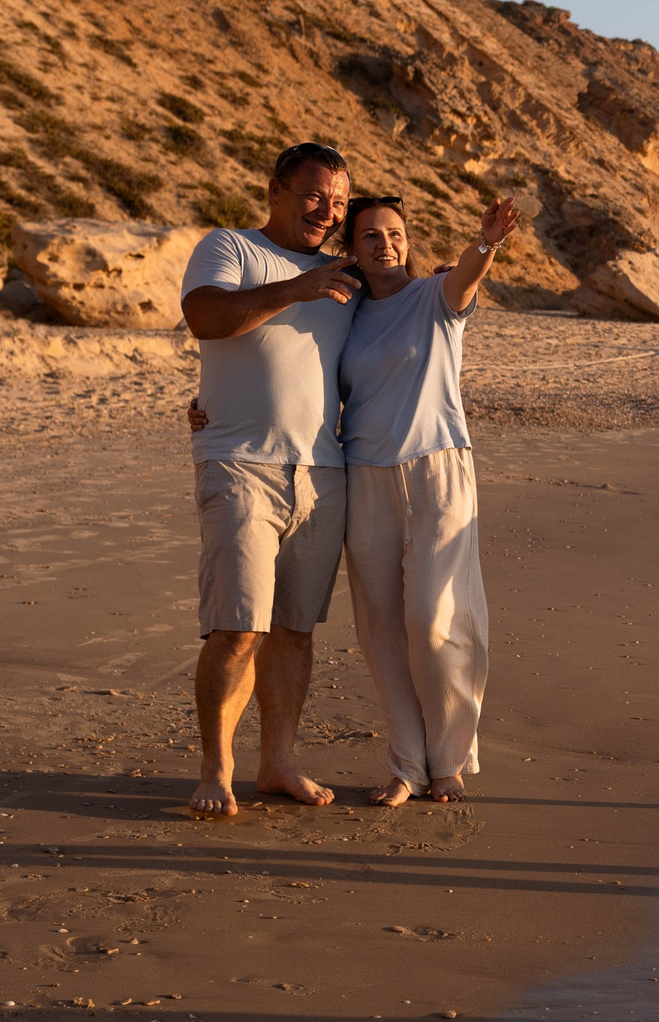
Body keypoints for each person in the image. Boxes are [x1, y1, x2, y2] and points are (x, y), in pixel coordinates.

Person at [177, 142, 360, 819]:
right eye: (314, 195)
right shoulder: (230, 247)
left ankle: (278, 760)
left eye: (338, 202)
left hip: (323, 471)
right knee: (237, 627)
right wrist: (295, 288)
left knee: (293, 630)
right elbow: (205, 316)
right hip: (238, 463)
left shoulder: (348, 275)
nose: (327, 211)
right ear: (276, 189)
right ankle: (216, 769)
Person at [335, 189, 518, 805]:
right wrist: (214, 403)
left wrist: (486, 242)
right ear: (351, 249)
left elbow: (466, 277)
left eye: (394, 234)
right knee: (381, 631)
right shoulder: (342, 315)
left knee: (435, 620)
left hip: (437, 469)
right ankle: (408, 766)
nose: (385, 244)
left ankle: (449, 760)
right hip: (364, 475)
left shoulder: (434, 296)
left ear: (407, 242)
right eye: (370, 235)